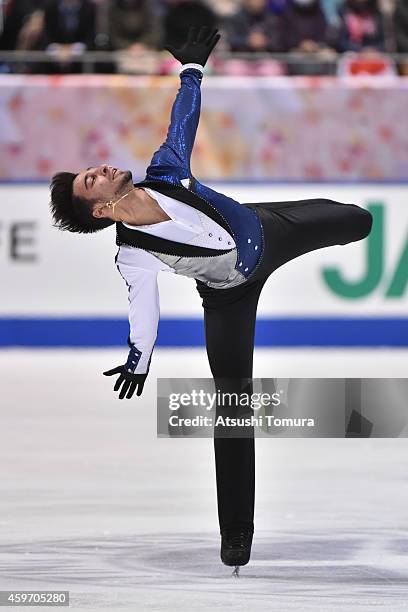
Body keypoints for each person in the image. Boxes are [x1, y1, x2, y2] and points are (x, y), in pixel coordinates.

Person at [48, 25, 373, 568]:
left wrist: (192, 70)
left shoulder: (166, 173)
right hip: (227, 296)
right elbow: (142, 308)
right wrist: (139, 359)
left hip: (270, 230)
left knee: (359, 220)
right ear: (101, 211)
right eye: (92, 180)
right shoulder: (133, 253)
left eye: (94, 168)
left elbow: (183, 121)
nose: (102, 168)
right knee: (233, 408)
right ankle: (237, 534)